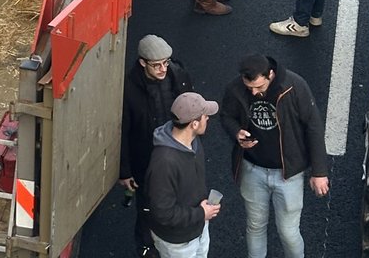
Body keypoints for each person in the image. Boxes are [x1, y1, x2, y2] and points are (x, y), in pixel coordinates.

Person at [221, 53, 328, 258]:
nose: (253, 92)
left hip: (288, 174)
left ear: (270, 74)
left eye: (259, 87)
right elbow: (227, 115)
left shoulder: (294, 86)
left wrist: (319, 172)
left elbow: (313, 127)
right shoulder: (236, 88)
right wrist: (236, 132)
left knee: (288, 232)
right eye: (249, 87)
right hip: (252, 169)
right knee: (255, 226)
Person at [120, 36, 195, 258]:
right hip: (148, 161)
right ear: (142, 63)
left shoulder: (178, 74)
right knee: (147, 209)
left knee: (180, 199)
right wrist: (125, 172)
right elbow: (122, 131)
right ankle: (146, 249)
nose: (163, 69)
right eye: (157, 65)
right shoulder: (128, 89)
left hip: (178, 155)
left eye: (166, 62)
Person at [145, 92, 221, 258]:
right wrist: (201, 213)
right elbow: (163, 213)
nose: (207, 118)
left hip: (198, 226)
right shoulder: (164, 163)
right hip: (177, 242)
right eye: (204, 116)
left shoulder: (194, 142)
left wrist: (202, 214)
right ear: (194, 124)